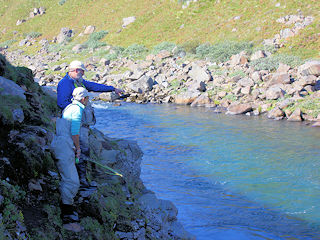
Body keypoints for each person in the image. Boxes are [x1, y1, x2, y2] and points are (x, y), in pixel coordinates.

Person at [57, 60, 123, 188]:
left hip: (82, 124)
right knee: (81, 151)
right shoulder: (65, 83)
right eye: (82, 71)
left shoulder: (78, 82)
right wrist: (76, 109)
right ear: (76, 70)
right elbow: (61, 103)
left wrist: (112, 89)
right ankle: (81, 181)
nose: (83, 73)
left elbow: (94, 86)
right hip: (76, 123)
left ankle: (82, 179)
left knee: (83, 151)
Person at [51, 87, 90, 223]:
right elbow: (74, 132)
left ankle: (67, 207)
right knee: (72, 181)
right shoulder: (78, 110)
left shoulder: (68, 107)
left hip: (58, 142)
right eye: (87, 99)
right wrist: (78, 148)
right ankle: (67, 211)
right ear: (84, 99)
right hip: (65, 146)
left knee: (67, 177)